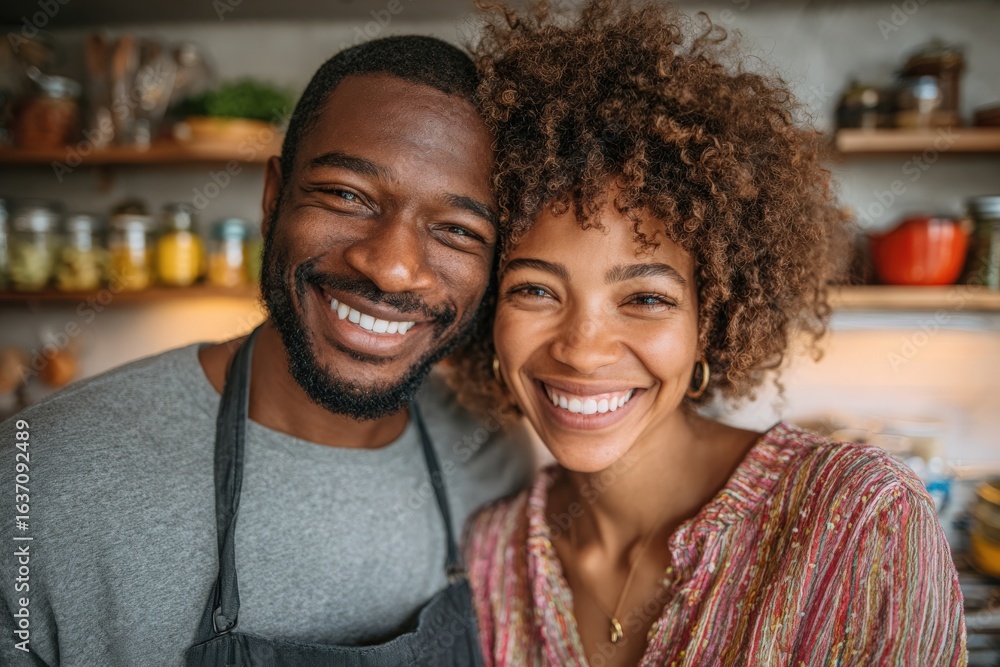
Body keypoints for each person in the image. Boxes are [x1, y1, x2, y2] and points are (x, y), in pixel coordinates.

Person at [448, 2, 967, 666]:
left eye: (644, 297)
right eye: (535, 290)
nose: (582, 347)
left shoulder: (862, 523)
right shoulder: (490, 559)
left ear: (712, 319)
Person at [0, 36, 534, 666]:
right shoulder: (38, 482)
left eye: (458, 231)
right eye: (346, 195)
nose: (391, 268)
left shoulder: (495, 458)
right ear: (272, 198)